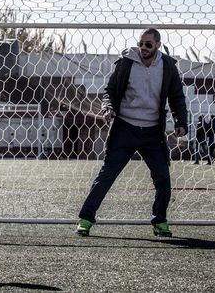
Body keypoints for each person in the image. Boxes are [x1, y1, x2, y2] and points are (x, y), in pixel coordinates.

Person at [76, 28, 188, 238]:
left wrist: (181, 122)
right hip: (125, 128)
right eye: (141, 43)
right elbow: (110, 90)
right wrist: (108, 108)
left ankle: (160, 221)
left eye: (148, 44)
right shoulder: (126, 62)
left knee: (163, 177)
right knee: (107, 175)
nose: (143, 48)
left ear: (158, 45)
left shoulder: (168, 67)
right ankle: (86, 219)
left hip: (153, 132)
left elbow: (177, 97)